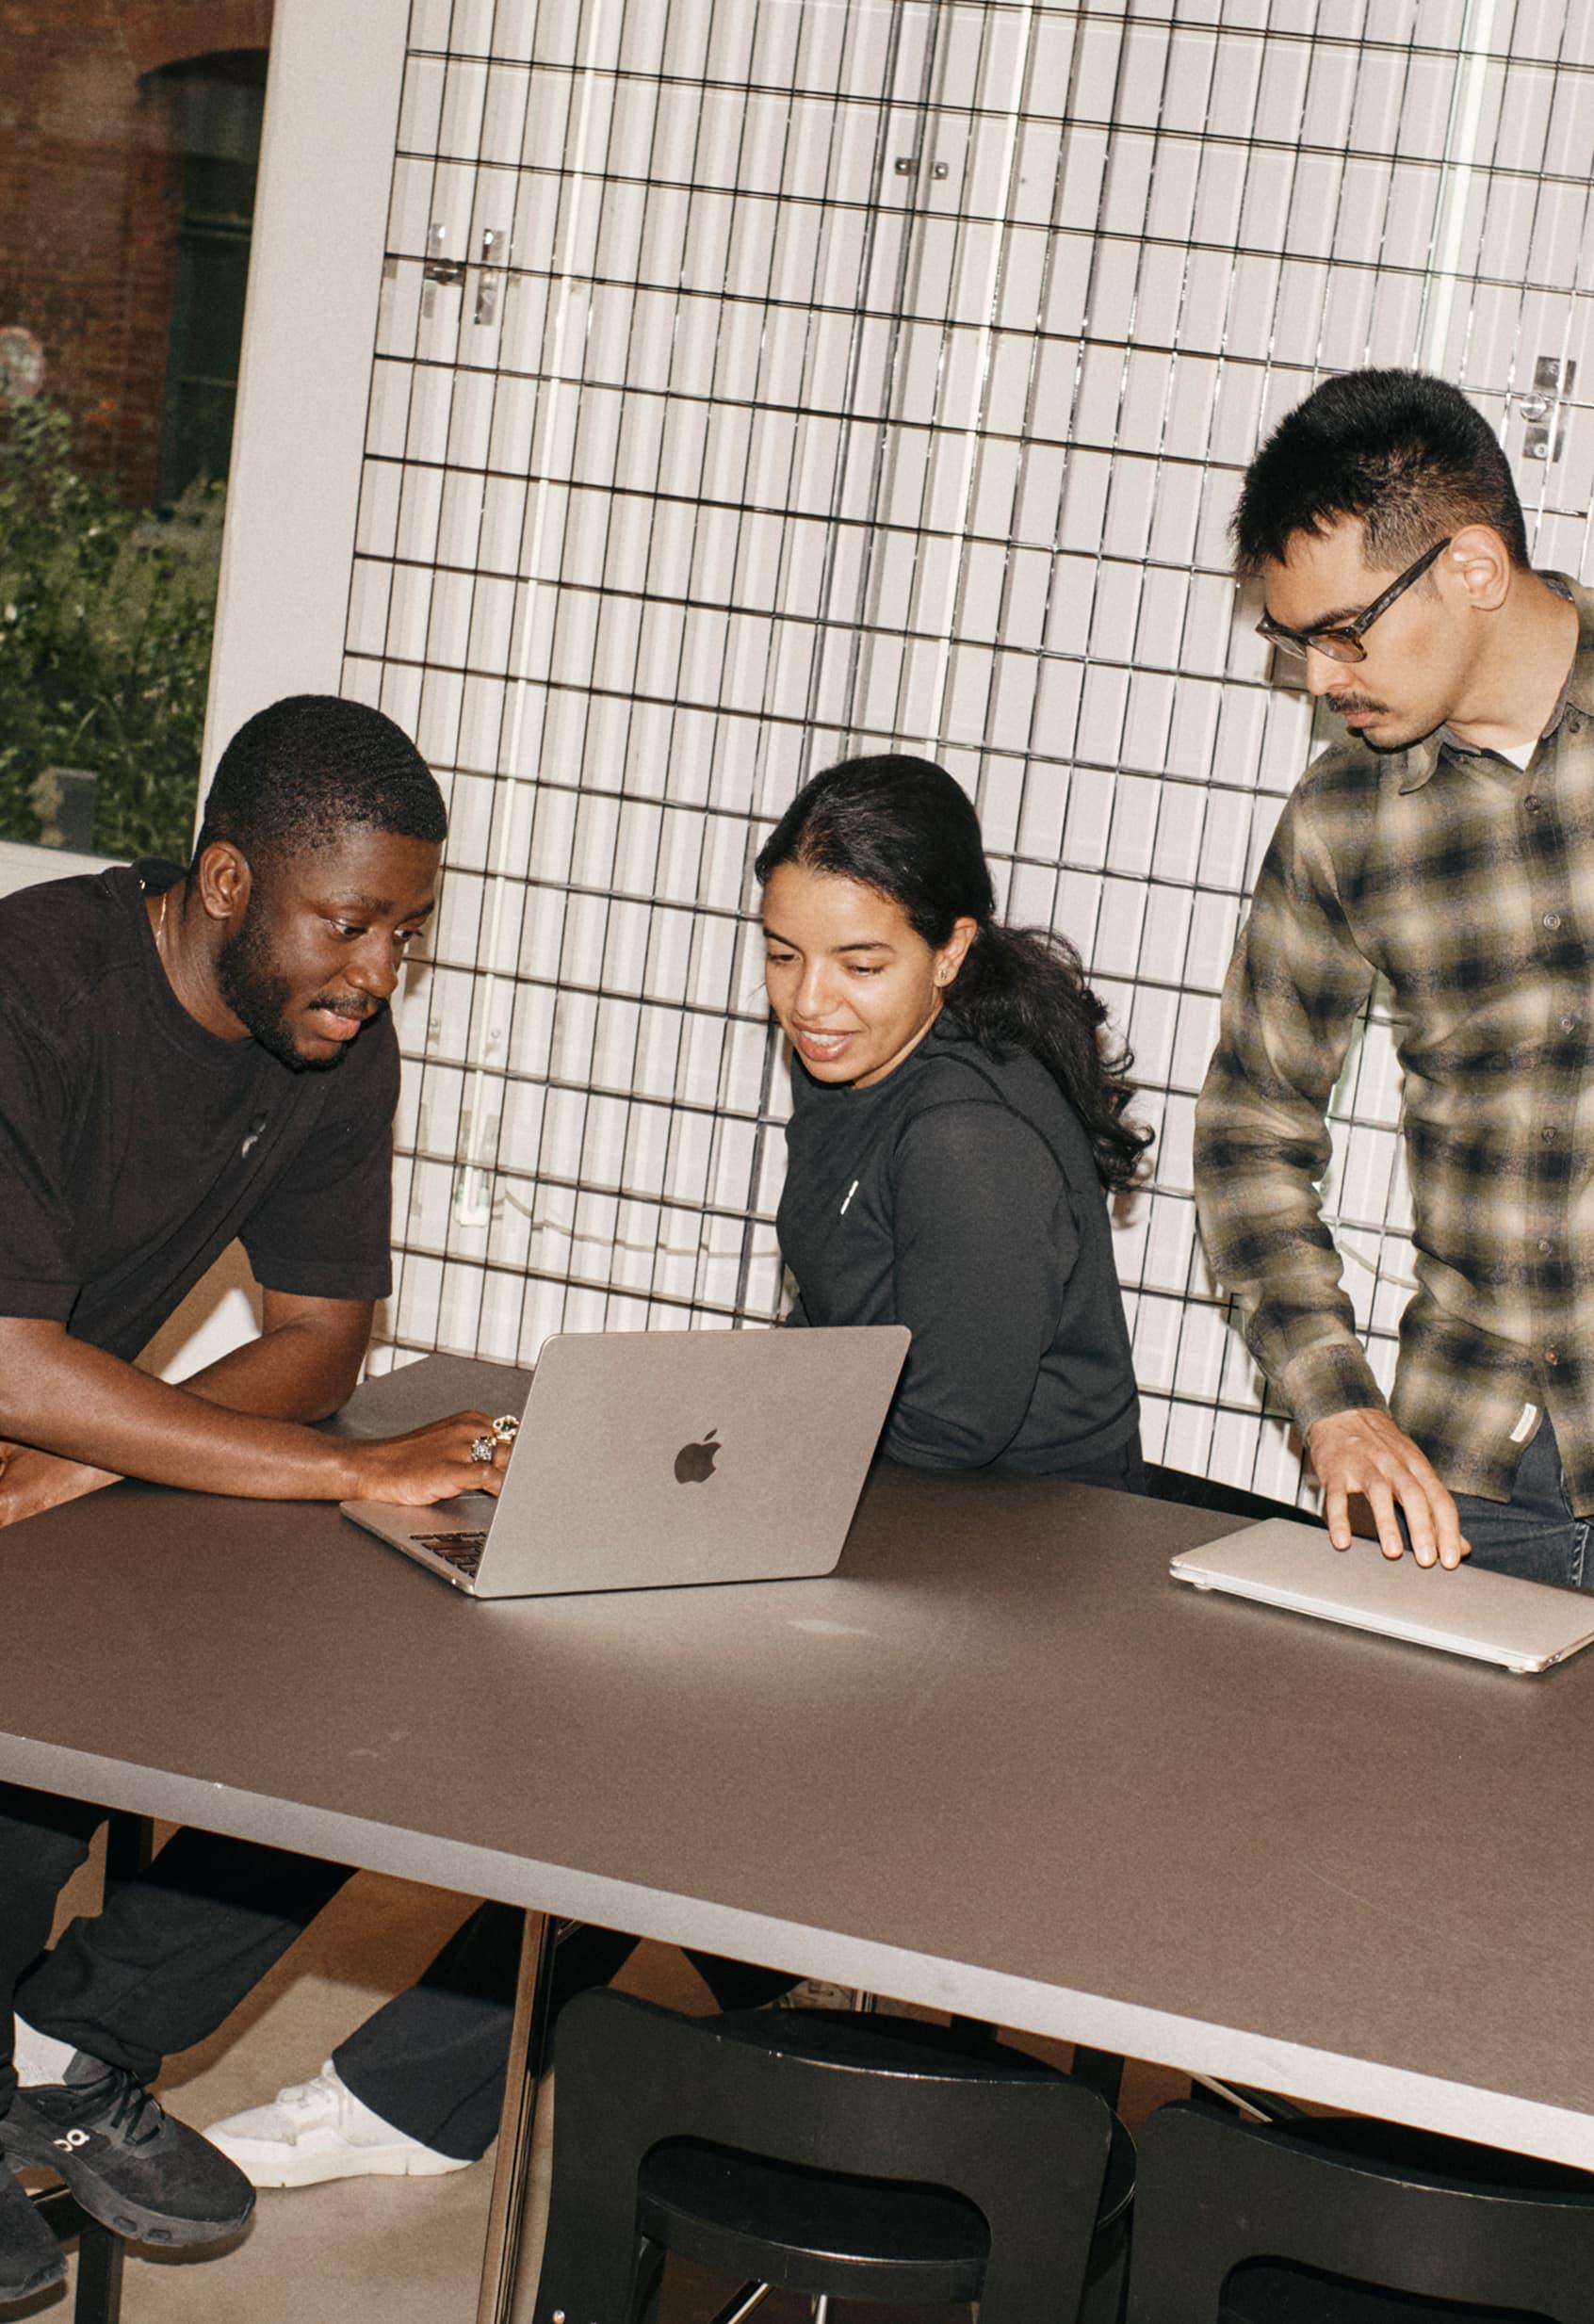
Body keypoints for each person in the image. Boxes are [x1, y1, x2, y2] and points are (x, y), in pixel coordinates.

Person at [200, 750, 1150, 2191]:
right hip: (920, 1537)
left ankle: (408, 2103)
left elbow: (950, 1432)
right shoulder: (870, 1067)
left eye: (859, 963)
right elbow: (862, 1351)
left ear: (953, 952)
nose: (811, 1001)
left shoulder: (963, 1132)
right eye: (782, 955)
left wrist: (707, 1447)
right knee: (634, 1751)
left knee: (633, 1769)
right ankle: (462, 2082)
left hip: (1012, 1585)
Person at [0, 694, 514, 2304]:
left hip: (38, 1452)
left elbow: (320, 1336)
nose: (375, 974)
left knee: (325, 1733)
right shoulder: (30, 994)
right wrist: (351, 1467)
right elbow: (10, 1362)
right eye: (349, 924)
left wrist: (105, 1451)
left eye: (405, 935)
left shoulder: (327, 1035)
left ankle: (53, 2048)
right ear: (227, 882)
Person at [1194, 366, 1594, 1586]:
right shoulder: (1341, 824)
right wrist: (1333, 1404)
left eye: (1343, 631)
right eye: (1293, 642)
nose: (1320, 678)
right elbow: (1250, 1129)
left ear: (1473, 569)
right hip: (1473, 1476)